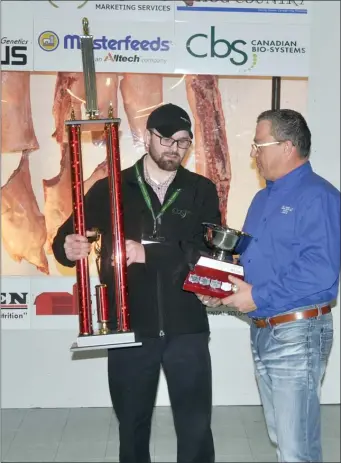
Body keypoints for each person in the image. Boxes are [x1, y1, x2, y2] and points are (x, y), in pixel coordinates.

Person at [52, 103, 220, 463]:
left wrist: (150, 253)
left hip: (187, 327)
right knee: (131, 425)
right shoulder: (111, 188)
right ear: (147, 138)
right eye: (166, 139)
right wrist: (68, 247)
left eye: (184, 142)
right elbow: (65, 239)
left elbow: (206, 254)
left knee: (195, 427)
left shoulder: (200, 190)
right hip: (129, 328)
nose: (174, 148)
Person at [200, 109, 341, 462]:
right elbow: (254, 265)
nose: (254, 154)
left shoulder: (319, 196)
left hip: (298, 332)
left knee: (296, 448)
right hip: (264, 331)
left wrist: (258, 295)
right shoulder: (263, 199)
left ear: (288, 147)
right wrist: (222, 290)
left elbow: (321, 271)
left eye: (259, 144)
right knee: (282, 438)